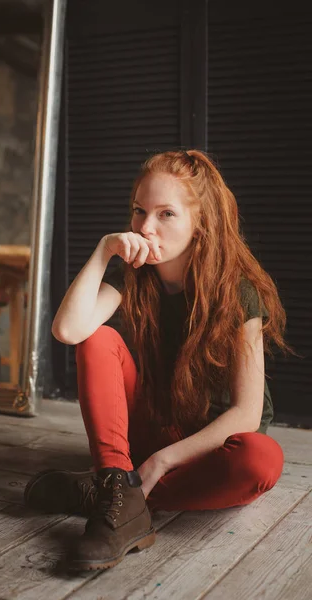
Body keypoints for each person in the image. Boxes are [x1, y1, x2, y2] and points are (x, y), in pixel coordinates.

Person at [24, 150, 296, 572]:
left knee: (261, 460)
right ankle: (117, 482)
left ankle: (112, 497)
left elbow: (246, 413)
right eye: (139, 211)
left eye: (166, 214)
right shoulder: (134, 273)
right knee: (98, 339)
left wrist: (162, 461)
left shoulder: (237, 291)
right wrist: (103, 251)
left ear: (200, 222)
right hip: (147, 431)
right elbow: (69, 331)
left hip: (208, 450)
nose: (145, 228)